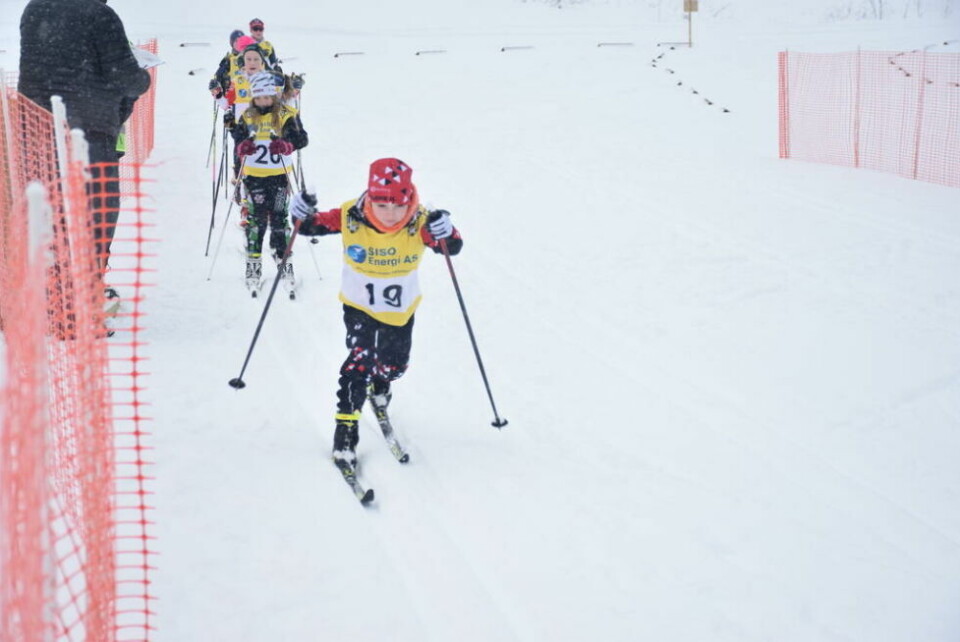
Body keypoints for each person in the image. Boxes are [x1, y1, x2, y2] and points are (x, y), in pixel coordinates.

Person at [287, 158, 463, 471]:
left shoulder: (420, 223)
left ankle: (381, 387)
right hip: (359, 307)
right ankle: (346, 431)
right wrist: (300, 213)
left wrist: (446, 231)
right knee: (358, 363)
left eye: (398, 206)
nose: (390, 214)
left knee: (393, 367)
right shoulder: (349, 216)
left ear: (409, 199)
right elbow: (312, 225)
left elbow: (451, 245)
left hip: (398, 310)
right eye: (382, 206)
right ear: (370, 198)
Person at [18, 0, 151, 280]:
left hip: (38, 131)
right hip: (89, 134)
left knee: (51, 220)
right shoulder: (100, 14)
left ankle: (55, 297)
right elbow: (125, 77)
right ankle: (85, 300)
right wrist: (143, 77)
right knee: (95, 222)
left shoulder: (34, 9)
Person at [231, 72, 307, 296]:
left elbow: (302, 139)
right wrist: (242, 147)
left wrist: (286, 145)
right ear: (253, 97)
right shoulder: (247, 115)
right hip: (254, 176)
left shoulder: (286, 114)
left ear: (274, 95)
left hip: (279, 176)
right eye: (259, 97)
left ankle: (281, 254)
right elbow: (238, 138)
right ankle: (253, 264)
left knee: (279, 218)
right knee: (256, 220)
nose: (264, 101)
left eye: (267, 97)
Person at [208, 29, 246, 103]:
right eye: (236, 41)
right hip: (233, 96)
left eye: (241, 41)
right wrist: (215, 84)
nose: (239, 43)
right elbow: (219, 74)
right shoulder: (229, 59)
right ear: (232, 43)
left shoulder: (251, 57)